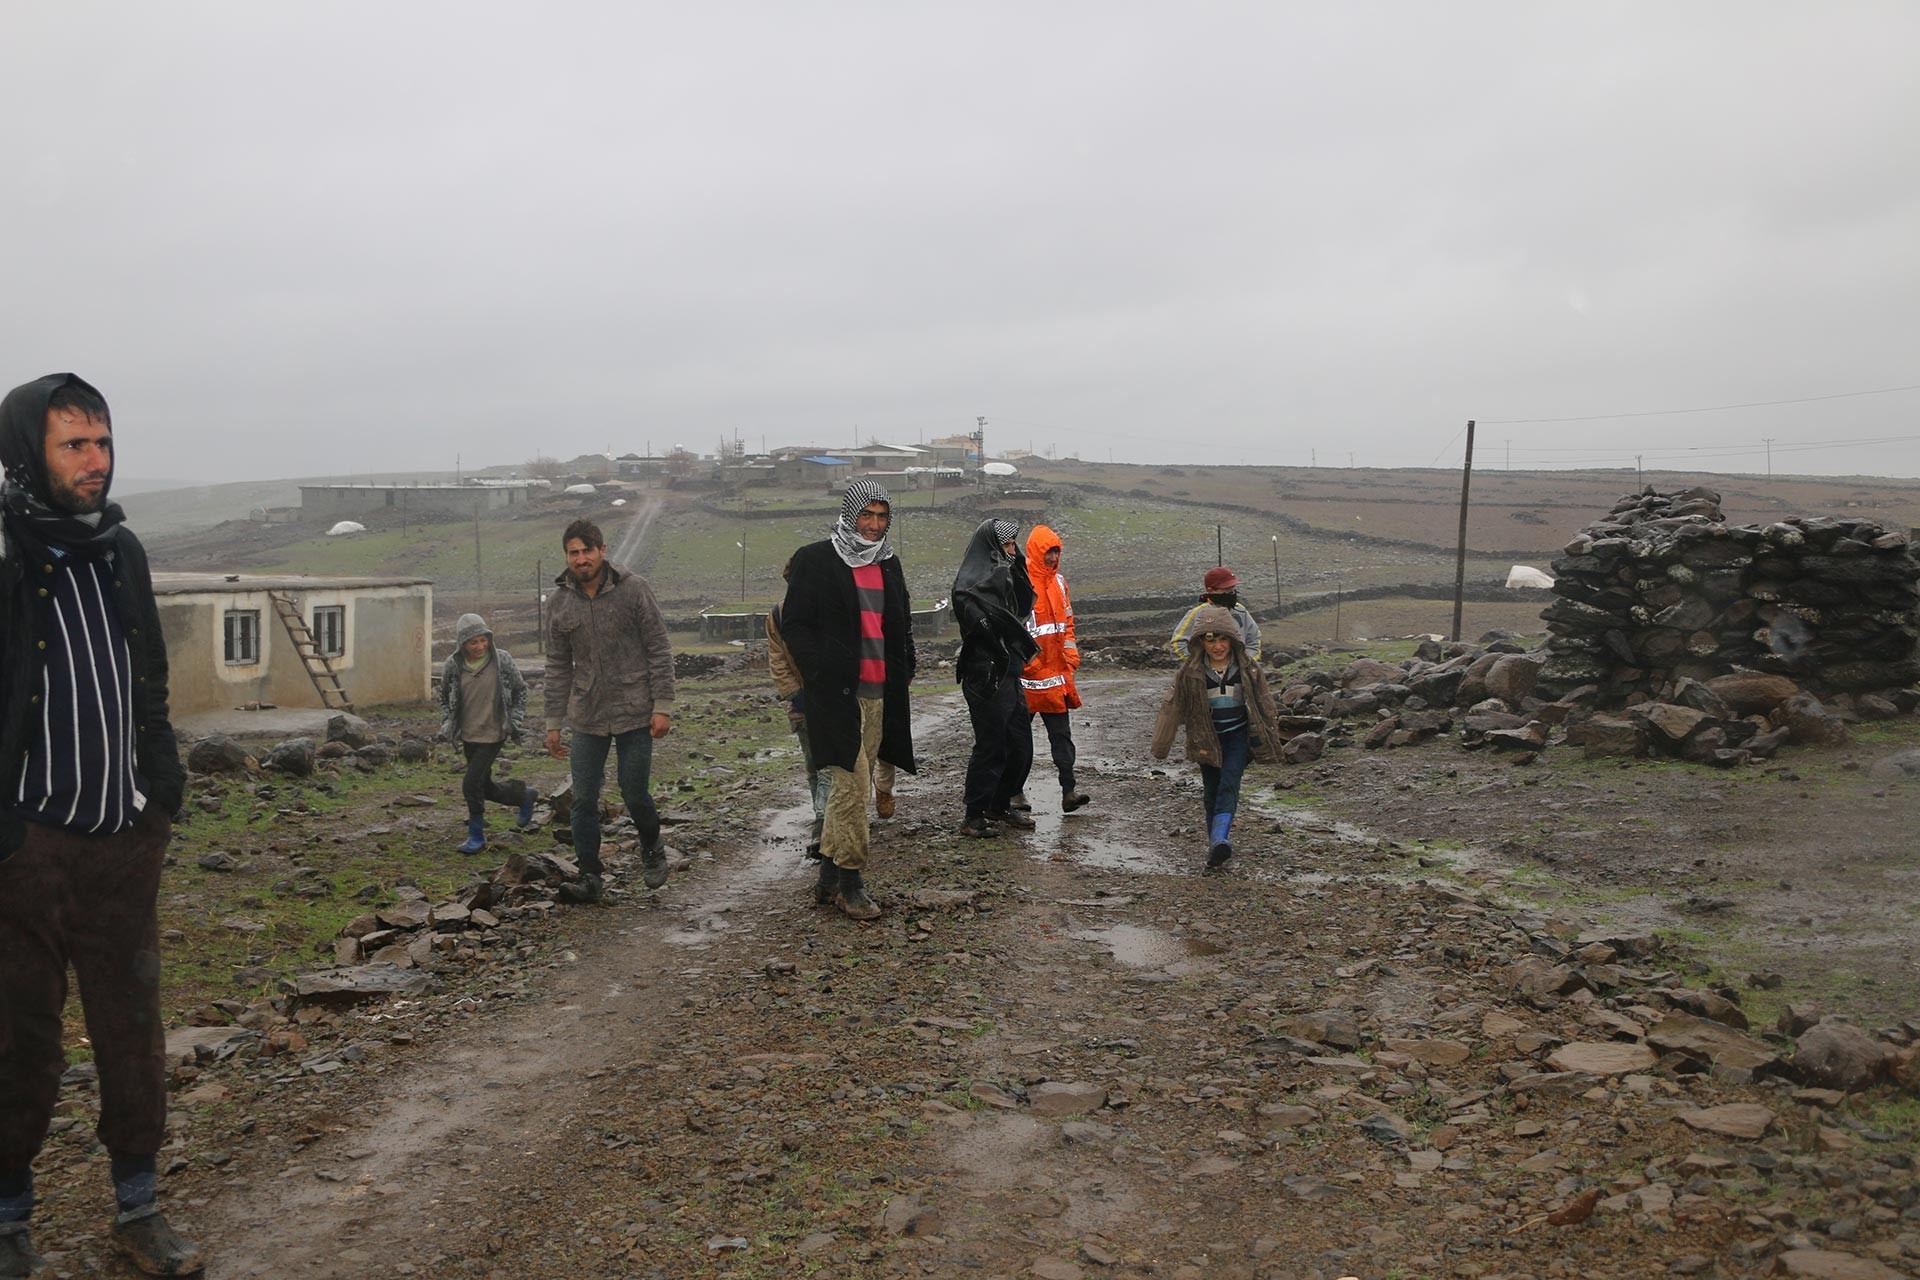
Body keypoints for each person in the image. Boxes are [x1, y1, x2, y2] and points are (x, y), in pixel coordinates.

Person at [0, 374, 204, 1276]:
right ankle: (9, 1221)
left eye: (103, 442)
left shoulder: (122, 551)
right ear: (26, 456)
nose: (95, 462)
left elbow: (150, 677)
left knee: (131, 1032)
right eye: (73, 445)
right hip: (28, 848)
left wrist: (159, 791)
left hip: (123, 838)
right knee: (20, 1040)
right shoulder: (7, 554)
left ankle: (139, 1208)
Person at [779, 480, 916, 920]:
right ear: (850, 513)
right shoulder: (816, 559)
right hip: (835, 694)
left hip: (879, 693)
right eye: (867, 515)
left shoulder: (888, 563)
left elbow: (901, 622)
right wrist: (816, 671)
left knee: (848, 786)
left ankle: (826, 878)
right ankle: (851, 883)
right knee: (852, 786)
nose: (874, 525)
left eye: (882, 516)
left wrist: (905, 663)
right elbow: (794, 624)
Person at [543, 518, 675, 904]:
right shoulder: (559, 603)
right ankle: (589, 876)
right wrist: (553, 723)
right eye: (573, 552)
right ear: (566, 556)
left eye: (587, 550)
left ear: (602, 551)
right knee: (583, 799)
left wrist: (663, 706)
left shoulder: (633, 590)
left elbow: (659, 648)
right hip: (586, 715)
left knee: (634, 793)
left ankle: (652, 846)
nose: (581, 558)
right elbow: (556, 665)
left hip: (636, 710)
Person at [1151, 605, 1285, 870]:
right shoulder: (1191, 672)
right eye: (1210, 640)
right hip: (1205, 738)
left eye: (1223, 639)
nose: (1218, 646)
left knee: (1228, 784)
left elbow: (1264, 704)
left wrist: (1270, 739)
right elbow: (1172, 707)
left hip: (1237, 737)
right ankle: (1216, 844)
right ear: (1201, 642)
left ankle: (1221, 839)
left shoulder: (1247, 668)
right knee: (1211, 790)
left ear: (1233, 640)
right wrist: (1161, 745)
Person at [952, 519, 1039, 837]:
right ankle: (973, 815)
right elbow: (985, 628)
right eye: (1006, 545)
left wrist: (1018, 567)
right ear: (990, 546)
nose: (1012, 551)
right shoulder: (968, 586)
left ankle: (999, 805)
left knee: (1020, 744)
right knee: (992, 745)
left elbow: (1025, 604)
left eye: (1014, 544)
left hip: (1011, 672)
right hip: (986, 674)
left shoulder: (1004, 579)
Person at [438, 613, 537, 854]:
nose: (480, 646)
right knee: (485, 786)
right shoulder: (453, 665)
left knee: (470, 785)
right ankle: (524, 796)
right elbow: (443, 696)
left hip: (494, 733)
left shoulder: (501, 660)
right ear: (463, 644)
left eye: (483, 640)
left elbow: (520, 691)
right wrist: (446, 723)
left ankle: (476, 836)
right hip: (469, 734)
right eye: (474, 642)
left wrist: (513, 720)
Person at [1011, 524, 1089, 814]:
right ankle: (1014, 793)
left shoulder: (1060, 583)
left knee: (1062, 738)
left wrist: (1070, 656)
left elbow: (1067, 622)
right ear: (1036, 552)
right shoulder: (1020, 582)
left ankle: (1069, 791)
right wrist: (1028, 663)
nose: (1053, 558)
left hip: (1056, 675)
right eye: (1048, 552)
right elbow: (1015, 627)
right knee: (1019, 741)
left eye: (1056, 552)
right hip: (1027, 679)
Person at [765, 559, 832, 860]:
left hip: (835, 698)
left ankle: (826, 826)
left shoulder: (832, 609)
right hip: (804, 703)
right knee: (815, 766)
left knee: (831, 765)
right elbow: (777, 659)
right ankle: (824, 823)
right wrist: (795, 693)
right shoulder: (778, 616)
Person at [1167, 566, 1262, 662]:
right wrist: (1198, 666)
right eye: (1226, 589)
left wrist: (1246, 663)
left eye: (1232, 588)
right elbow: (1177, 645)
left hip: (1239, 675)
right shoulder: (1197, 613)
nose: (1231, 593)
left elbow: (1254, 641)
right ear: (1210, 590)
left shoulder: (1241, 611)